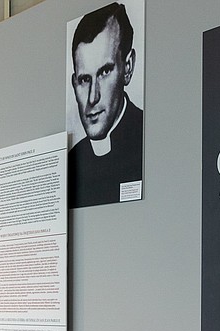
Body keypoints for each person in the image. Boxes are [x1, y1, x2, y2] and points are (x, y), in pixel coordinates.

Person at [68, 3, 143, 209]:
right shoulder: (71, 161)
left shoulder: (148, 140)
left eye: (104, 72)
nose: (93, 97)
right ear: (74, 84)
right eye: (84, 79)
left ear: (127, 68)